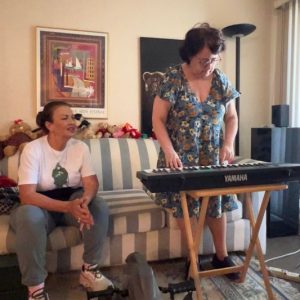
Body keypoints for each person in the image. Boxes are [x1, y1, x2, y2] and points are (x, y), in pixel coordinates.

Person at [152, 23, 240, 280]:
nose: (209, 65)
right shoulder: (172, 78)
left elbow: (232, 117)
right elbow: (158, 119)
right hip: (180, 156)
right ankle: (193, 258)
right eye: (203, 60)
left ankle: (221, 256)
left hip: (213, 155)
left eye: (214, 59)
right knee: (186, 207)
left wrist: (228, 143)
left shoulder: (221, 79)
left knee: (216, 204)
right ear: (189, 55)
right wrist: (168, 150)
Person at [9, 101, 113, 300]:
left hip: (72, 200)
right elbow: (27, 195)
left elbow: (91, 182)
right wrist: (68, 207)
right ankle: (36, 290)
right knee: (28, 216)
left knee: (98, 205)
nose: (72, 121)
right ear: (49, 125)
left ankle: (89, 271)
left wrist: (84, 201)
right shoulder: (33, 149)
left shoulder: (80, 147)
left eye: (73, 117)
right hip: (39, 205)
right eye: (64, 118)